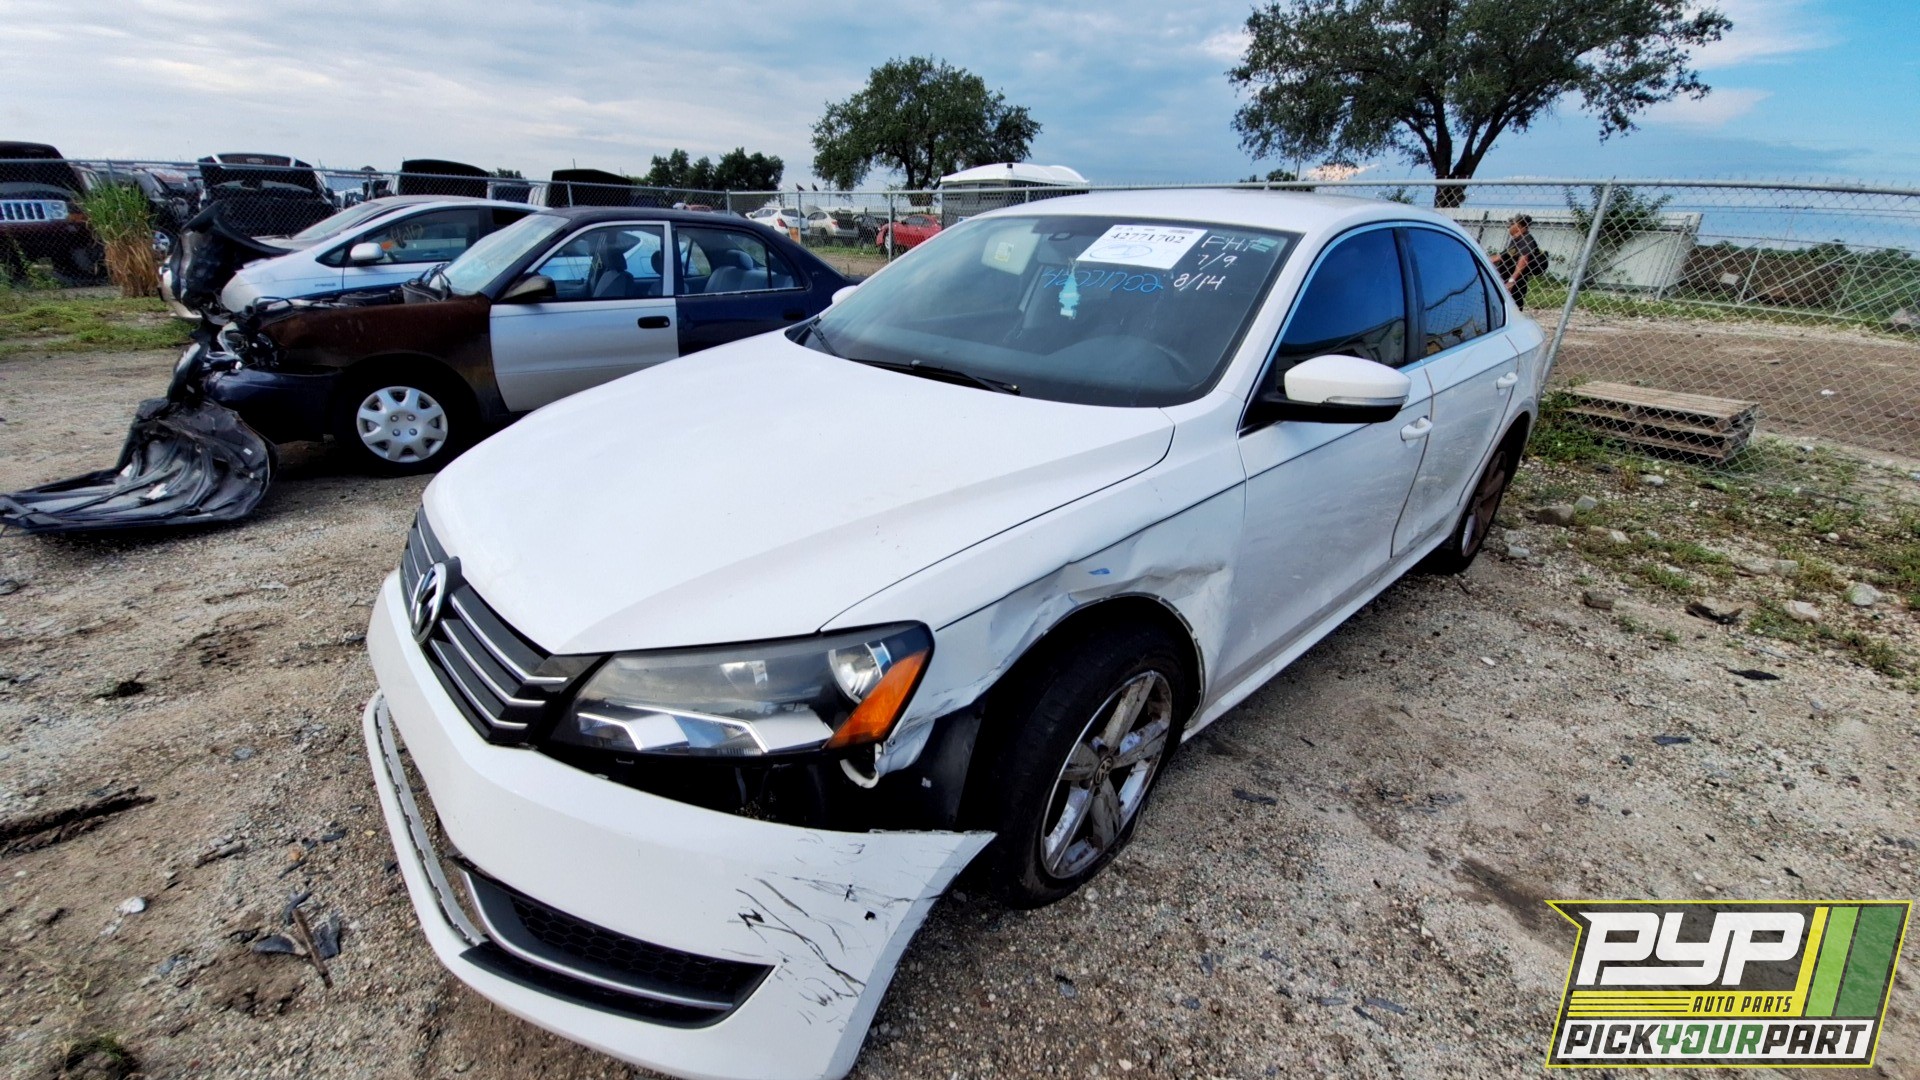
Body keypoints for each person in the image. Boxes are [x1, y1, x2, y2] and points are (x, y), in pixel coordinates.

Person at [1496, 214, 1544, 309]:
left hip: (1516, 282)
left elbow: (1524, 259)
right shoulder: (1516, 240)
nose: (1509, 226)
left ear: (1519, 226)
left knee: (1512, 307)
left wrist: (1511, 281)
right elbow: (1500, 257)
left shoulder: (1526, 239)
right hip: (1506, 278)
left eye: (1512, 223)